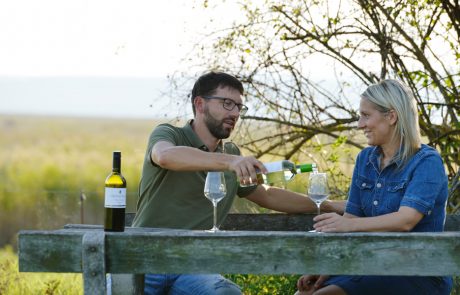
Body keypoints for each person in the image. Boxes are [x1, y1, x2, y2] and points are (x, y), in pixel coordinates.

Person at [131, 71, 345, 295]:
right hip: (143, 260)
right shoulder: (170, 134)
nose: (234, 113)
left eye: (238, 107)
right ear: (200, 103)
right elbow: (165, 156)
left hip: (192, 267)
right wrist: (230, 162)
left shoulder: (232, 153)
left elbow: (267, 195)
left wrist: (329, 205)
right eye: (226, 104)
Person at [295, 79, 453, 295]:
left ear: (391, 116)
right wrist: (330, 267)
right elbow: (351, 217)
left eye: (366, 115)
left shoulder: (426, 162)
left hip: (416, 271)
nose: (360, 124)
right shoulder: (365, 159)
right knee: (304, 293)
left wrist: (346, 225)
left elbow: (405, 221)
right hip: (371, 264)